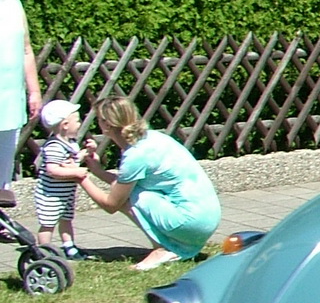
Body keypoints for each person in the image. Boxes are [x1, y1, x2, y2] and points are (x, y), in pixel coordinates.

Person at [77, 96, 221, 270]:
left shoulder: (135, 155)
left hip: (191, 223)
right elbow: (126, 183)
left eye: (99, 120)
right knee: (133, 191)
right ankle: (179, 245)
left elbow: (112, 204)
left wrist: (81, 177)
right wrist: (98, 172)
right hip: (207, 219)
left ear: (107, 124)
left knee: (129, 196)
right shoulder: (151, 138)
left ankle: (163, 249)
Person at [0, 0, 43, 208]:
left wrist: (34, 91)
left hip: (9, 98)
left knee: (3, 164)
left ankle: (1, 220)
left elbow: (26, 49)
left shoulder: (13, 4)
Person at [34, 99, 85, 257]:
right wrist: (75, 173)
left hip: (65, 194)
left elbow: (72, 160)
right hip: (51, 195)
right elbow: (53, 170)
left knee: (66, 220)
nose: (80, 123)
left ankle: (69, 246)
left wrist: (85, 153)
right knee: (48, 224)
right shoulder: (54, 146)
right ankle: (44, 251)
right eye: (77, 120)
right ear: (65, 125)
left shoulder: (70, 143)